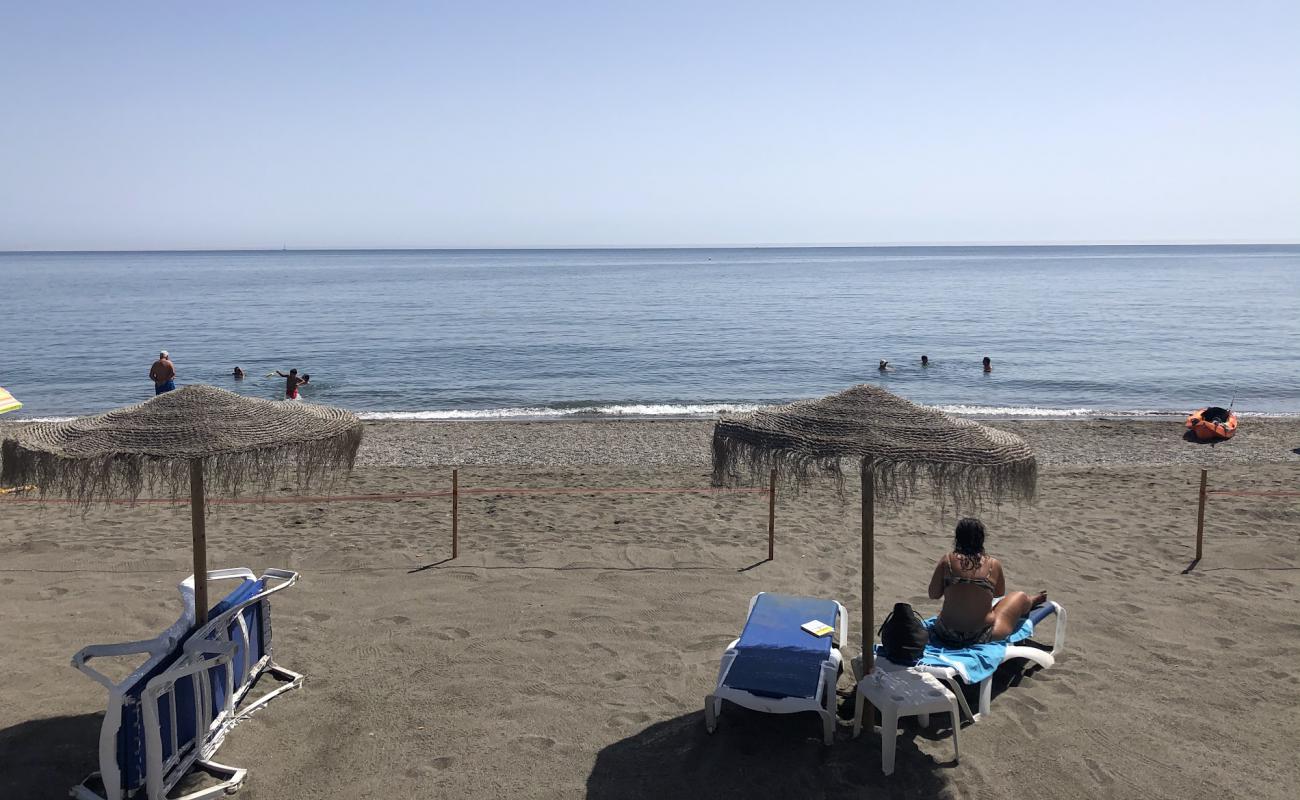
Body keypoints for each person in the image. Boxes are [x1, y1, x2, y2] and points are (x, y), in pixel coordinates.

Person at [927, 517, 1046, 647]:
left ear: (957, 538)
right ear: (981, 539)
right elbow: (999, 594)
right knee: (1019, 597)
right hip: (981, 635)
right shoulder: (992, 564)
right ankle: (1030, 601)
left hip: (945, 633)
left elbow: (933, 594)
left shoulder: (947, 561)